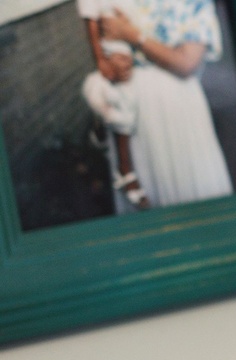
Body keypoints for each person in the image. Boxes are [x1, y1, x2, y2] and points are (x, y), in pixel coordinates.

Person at [99, 0, 233, 212]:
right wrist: (111, 62)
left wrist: (132, 36)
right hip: (130, 107)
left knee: (189, 189)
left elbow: (186, 63)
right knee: (145, 192)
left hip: (175, 103)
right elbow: (106, 37)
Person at [78, 0, 150, 210]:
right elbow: (91, 24)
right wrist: (101, 59)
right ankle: (125, 169)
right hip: (112, 53)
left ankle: (101, 128)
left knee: (127, 108)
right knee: (122, 112)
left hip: (129, 51)